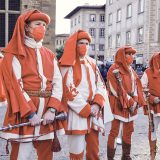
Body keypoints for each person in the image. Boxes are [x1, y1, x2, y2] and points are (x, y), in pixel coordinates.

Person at [0, 9, 65, 160]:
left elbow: (57, 83)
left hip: (47, 116)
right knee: (20, 156)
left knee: (45, 156)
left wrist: (52, 109)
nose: (42, 27)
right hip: (24, 115)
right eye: (38, 24)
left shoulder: (49, 55)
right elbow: (15, 85)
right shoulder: (13, 54)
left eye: (44, 24)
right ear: (27, 27)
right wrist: (30, 113)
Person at [59, 30, 109, 160]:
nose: (85, 46)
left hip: (94, 111)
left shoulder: (92, 63)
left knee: (94, 150)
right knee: (77, 151)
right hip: (77, 113)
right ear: (74, 44)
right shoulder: (67, 63)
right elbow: (68, 89)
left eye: (87, 43)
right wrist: (87, 109)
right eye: (81, 43)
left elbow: (101, 85)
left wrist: (97, 104)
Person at [107, 46, 146, 160]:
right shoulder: (113, 69)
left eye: (132, 54)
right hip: (118, 104)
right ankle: (111, 158)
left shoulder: (131, 70)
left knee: (128, 131)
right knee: (114, 131)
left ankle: (126, 155)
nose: (132, 57)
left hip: (131, 105)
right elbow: (114, 90)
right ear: (122, 55)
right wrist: (130, 101)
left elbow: (135, 87)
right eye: (129, 54)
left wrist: (136, 99)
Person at [141, 53, 160, 160]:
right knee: (152, 129)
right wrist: (152, 98)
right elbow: (143, 89)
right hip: (154, 106)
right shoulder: (147, 72)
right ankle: (152, 153)